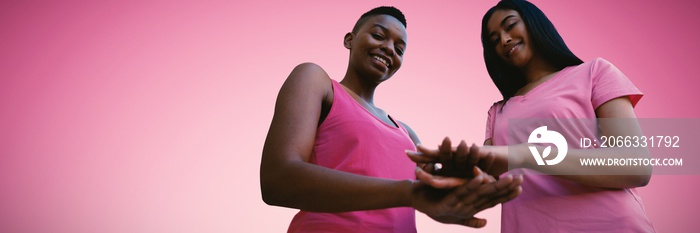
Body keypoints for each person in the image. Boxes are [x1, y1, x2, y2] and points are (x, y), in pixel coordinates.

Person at [260, 6, 523, 233]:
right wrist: (409, 193)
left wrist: (467, 177)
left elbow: (432, 195)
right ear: (349, 39)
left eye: (399, 49)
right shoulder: (318, 82)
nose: (388, 49)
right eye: (378, 35)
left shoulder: (406, 133)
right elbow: (278, 180)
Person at [409, 0, 656, 232]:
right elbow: (489, 183)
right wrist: (448, 175)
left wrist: (527, 154)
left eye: (510, 25)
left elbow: (635, 166)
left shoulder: (593, 73)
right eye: (494, 40)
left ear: (534, 22)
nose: (504, 40)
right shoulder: (498, 112)